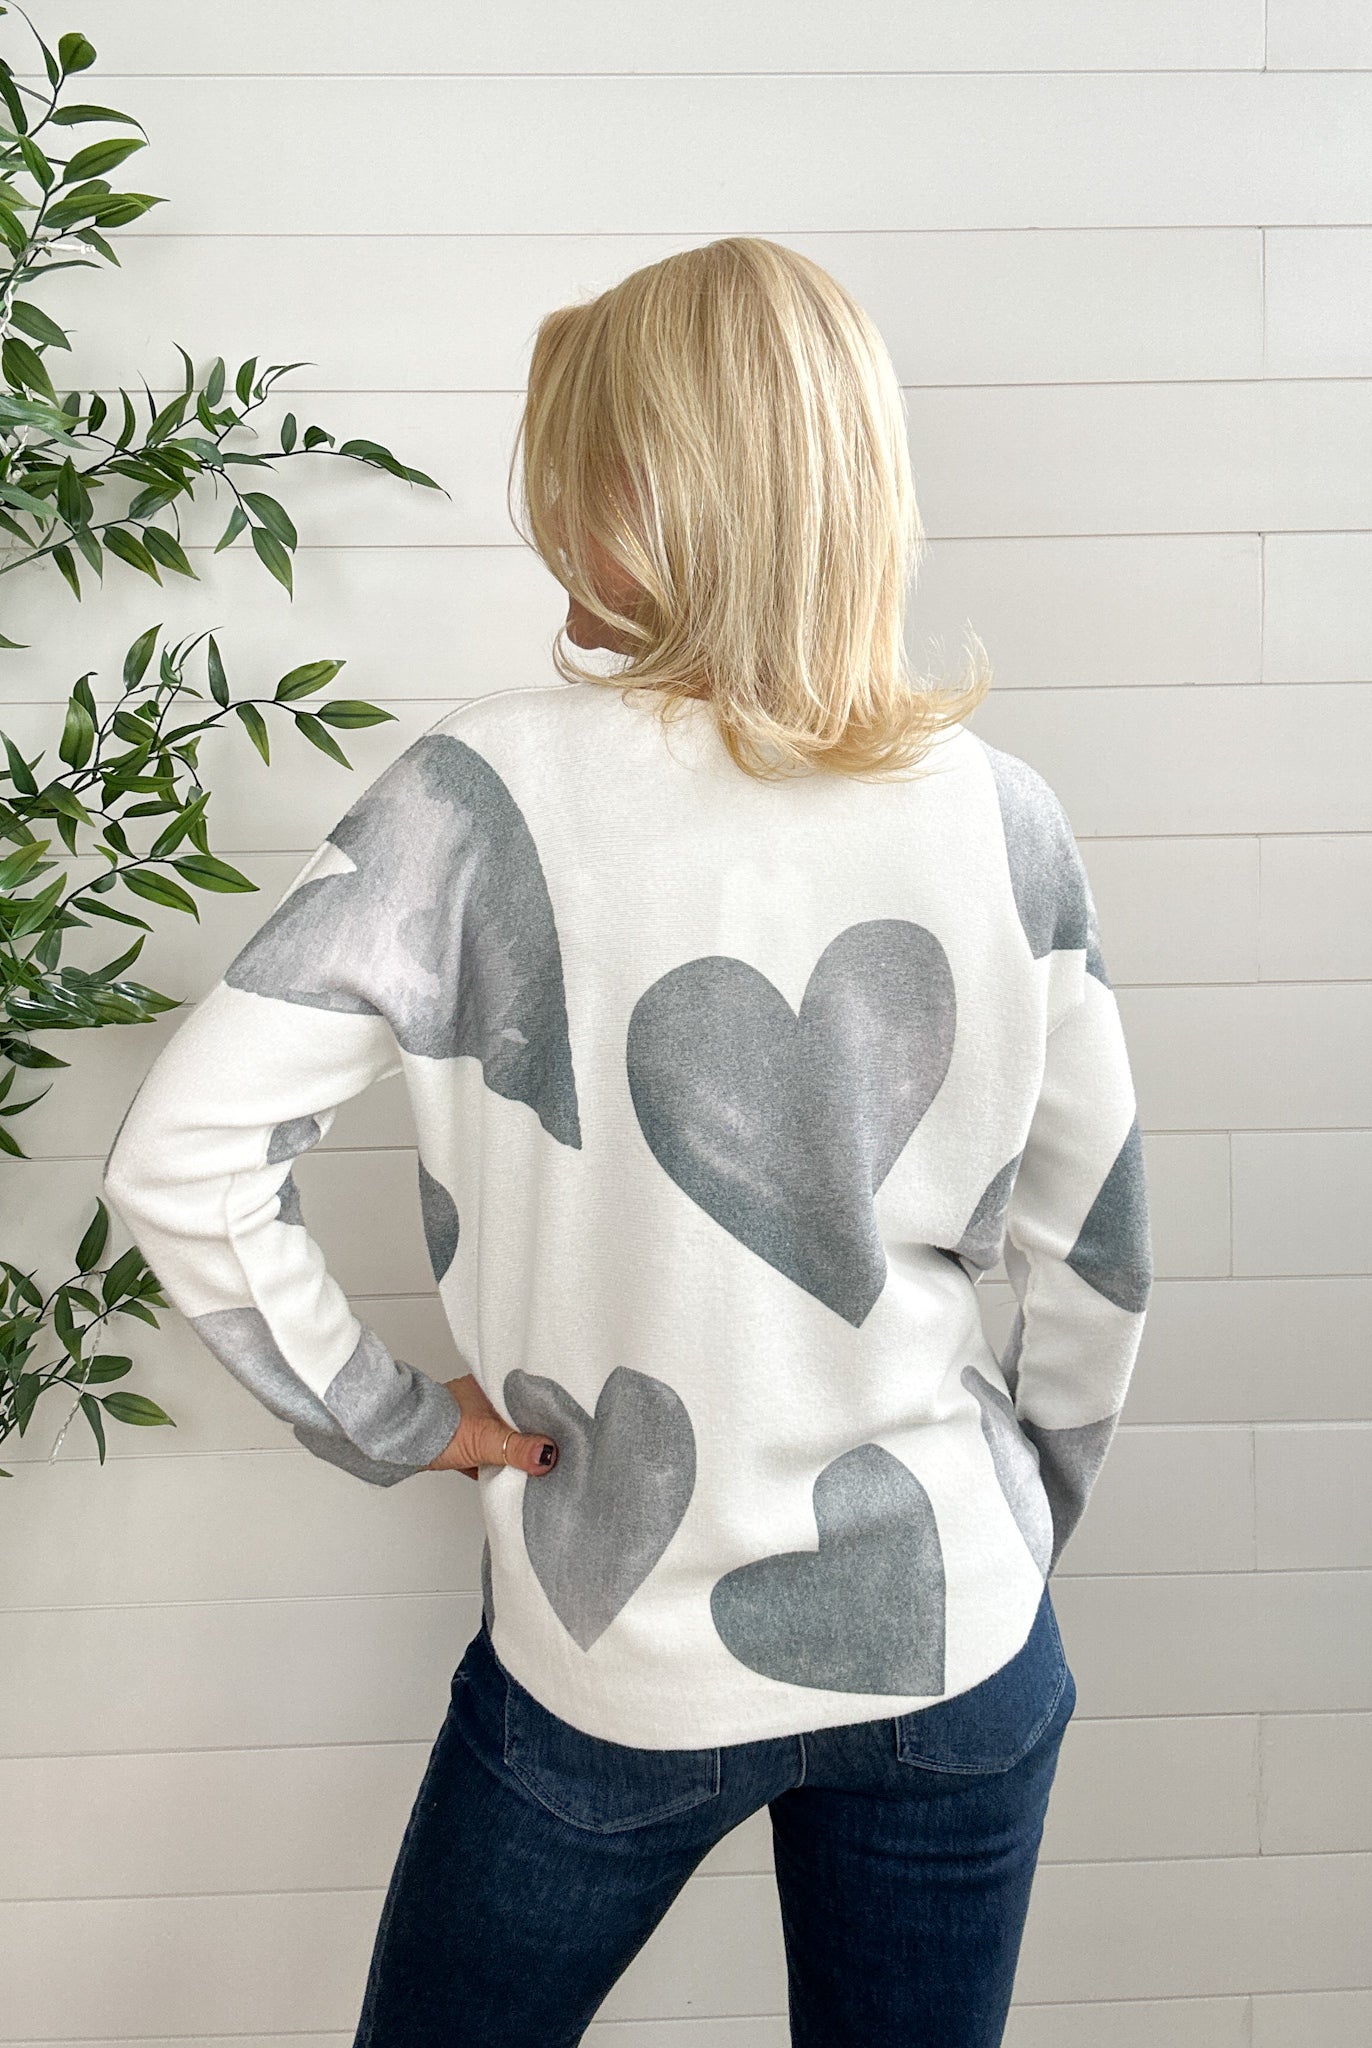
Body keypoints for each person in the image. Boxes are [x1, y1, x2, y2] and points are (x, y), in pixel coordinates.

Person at [102, 236, 1153, 2048]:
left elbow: (177, 1166)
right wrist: (1013, 1526)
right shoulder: (1004, 815)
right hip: (958, 1639)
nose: (548, 525)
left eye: (572, 471)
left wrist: (398, 1420)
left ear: (650, 495)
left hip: (616, 1657)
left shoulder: (476, 797)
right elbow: (1095, 1261)